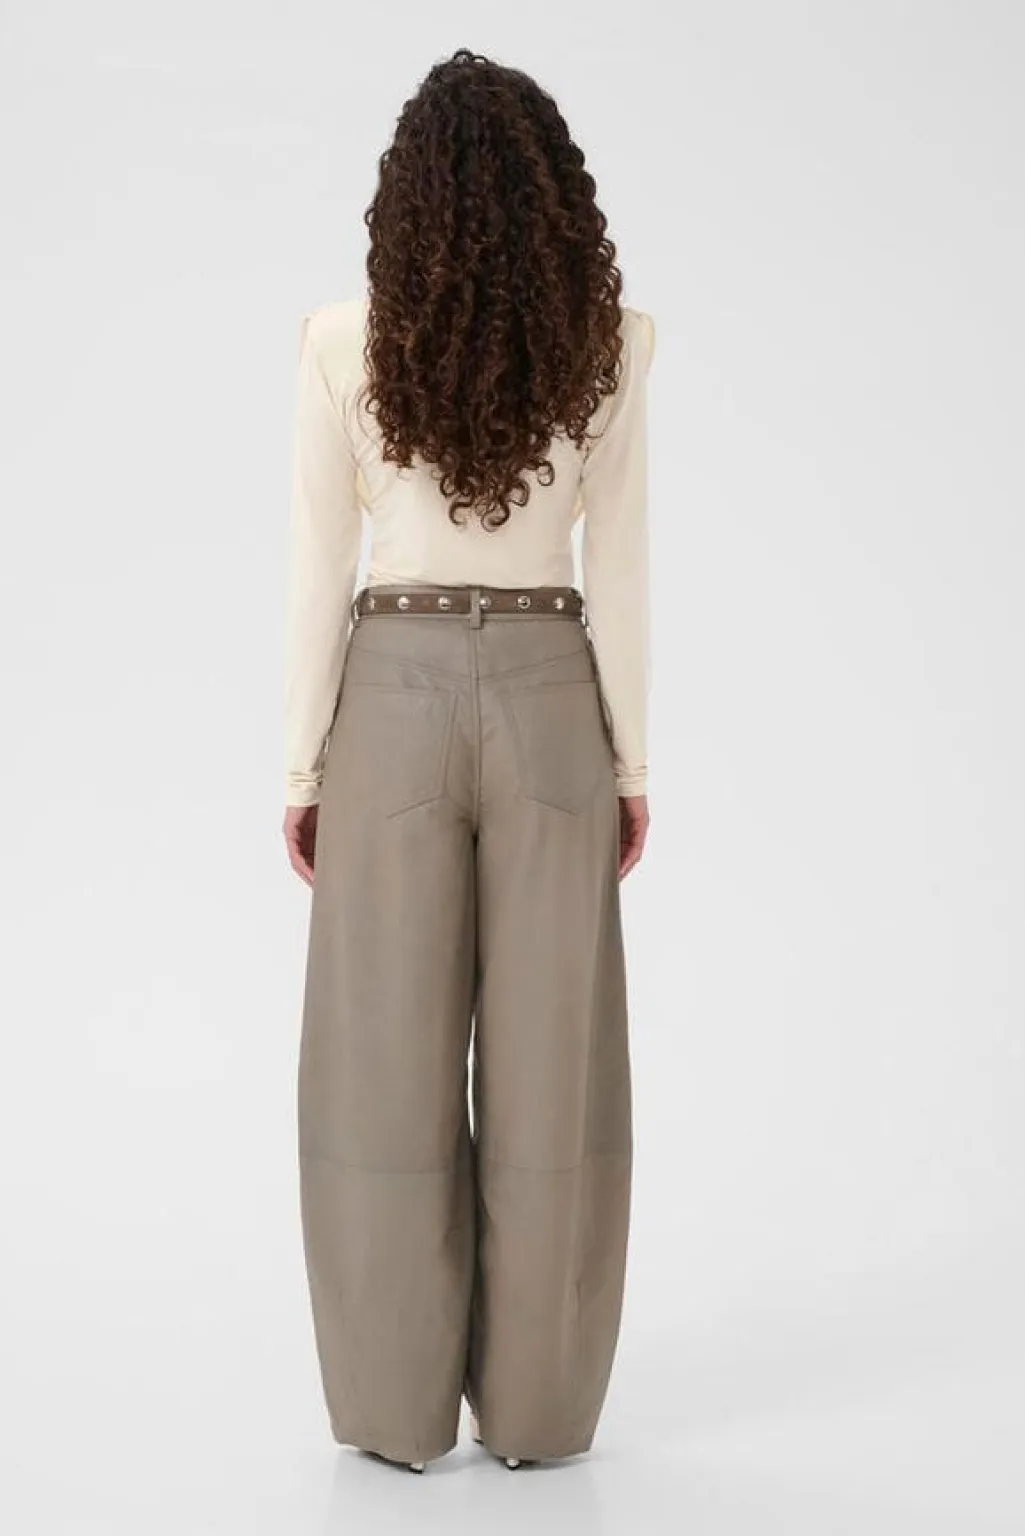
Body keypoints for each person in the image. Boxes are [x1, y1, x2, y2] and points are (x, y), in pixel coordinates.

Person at [282, 47, 654, 1474]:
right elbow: (621, 572)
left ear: (408, 199)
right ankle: (543, 1418)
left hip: (392, 689)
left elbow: (318, 574)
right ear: (556, 195)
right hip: (556, 692)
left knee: (378, 1065)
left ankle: (390, 1416)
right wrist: (631, 764)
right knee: (561, 1074)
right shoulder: (610, 344)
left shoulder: (342, 342)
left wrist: (303, 771)